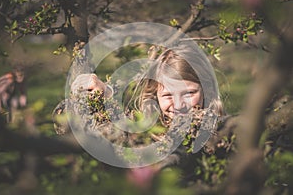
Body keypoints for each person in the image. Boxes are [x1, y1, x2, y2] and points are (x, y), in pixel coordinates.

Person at [68, 41, 224, 187]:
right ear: (155, 94)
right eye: (168, 95)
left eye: (189, 93)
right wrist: (103, 95)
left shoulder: (221, 133)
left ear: (207, 89)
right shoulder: (145, 131)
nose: (178, 105)